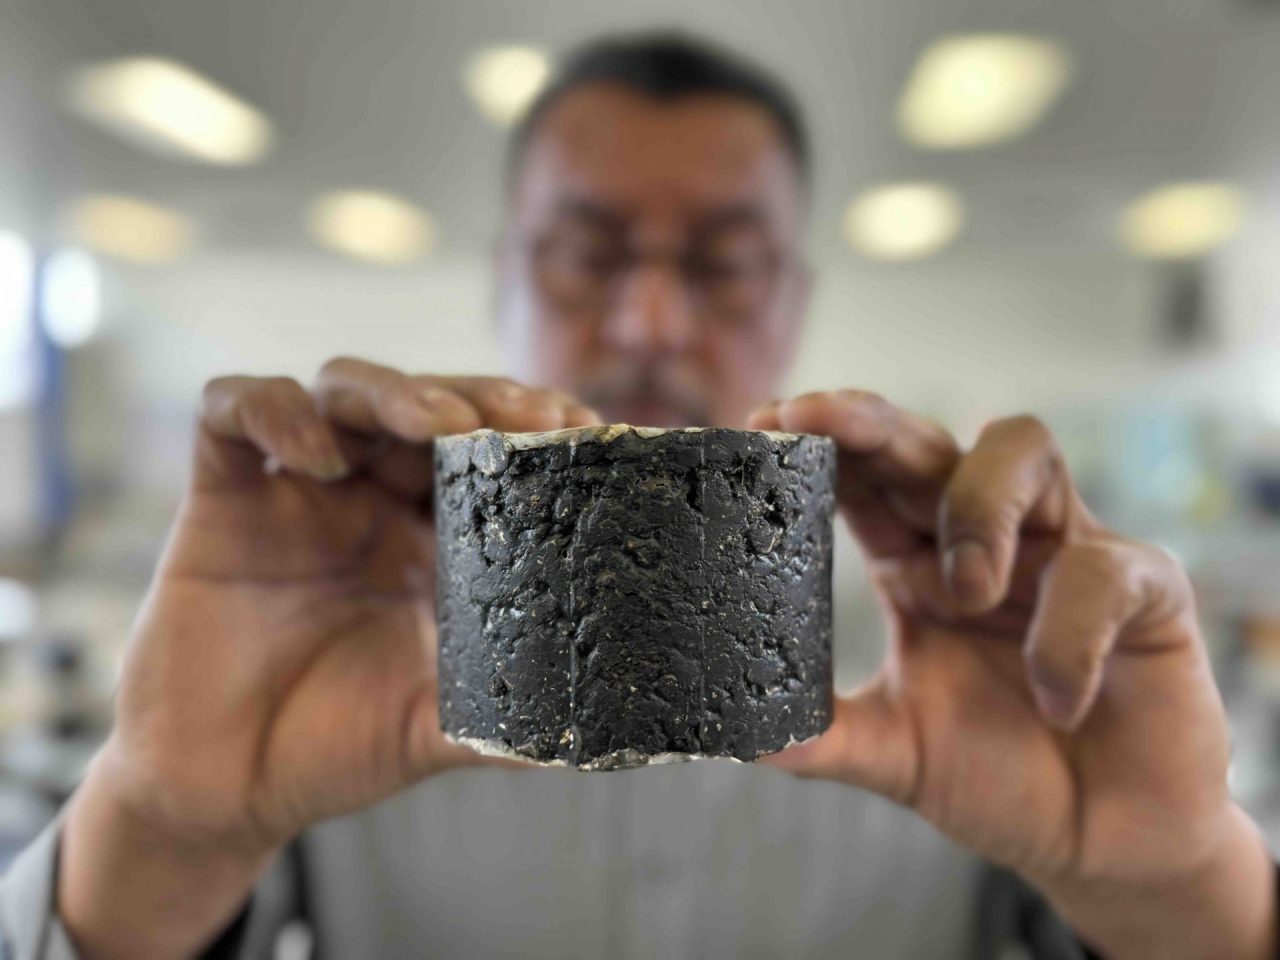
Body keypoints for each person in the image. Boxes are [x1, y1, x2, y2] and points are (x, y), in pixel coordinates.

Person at [2, 31, 1276, 960]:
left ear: (794, 297)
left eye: (724, 263)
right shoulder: (337, 641)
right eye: (585, 254)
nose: (652, 321)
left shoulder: (970, 645)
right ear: (504, 277)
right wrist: (158, 828)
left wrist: (1181, 886)